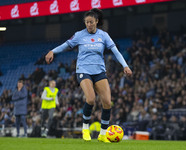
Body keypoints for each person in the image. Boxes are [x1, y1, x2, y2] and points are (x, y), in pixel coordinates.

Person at [45, 8, 132, 143]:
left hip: (99, 71)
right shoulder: (79, 35)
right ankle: (85, 128)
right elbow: (66, 45)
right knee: (90, 99)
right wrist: (52, 51)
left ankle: (103, 134)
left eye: (91, 22)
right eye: (86, 22)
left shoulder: (103, 35)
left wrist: (125, 65)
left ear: (97, 21)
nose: (89, 25)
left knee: (107, 102)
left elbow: (116, 51)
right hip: (83, 70)